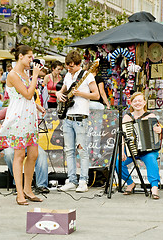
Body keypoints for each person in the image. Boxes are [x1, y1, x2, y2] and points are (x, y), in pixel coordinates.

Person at [0, 44, 43, 205]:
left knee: (33, 154)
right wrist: (35, 76)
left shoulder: (25, 73)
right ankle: (19, 193)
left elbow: (25, 96)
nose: (32, 60)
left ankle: (28, 189)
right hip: (18, 118)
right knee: (19, 155)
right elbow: (28, 94)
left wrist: (37, 106)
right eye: (29, 56)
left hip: (29, 116)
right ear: (20, 56)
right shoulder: (13, 74)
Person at [56, 50, 99, 192]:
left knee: (82, 150)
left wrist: (80, 93)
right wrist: (58, 94)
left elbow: (96, 95)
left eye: (72, 66)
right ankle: (72, 179)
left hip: (80, 117)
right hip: (67, 117)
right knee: (69, 150)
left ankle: (83, 180)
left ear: (79, 64)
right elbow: (62, 90)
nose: (69, 68)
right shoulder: (68, 75)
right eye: (68, 66)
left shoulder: (87, 76)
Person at [0, 107, 50, 194]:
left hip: (28, 143)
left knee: (42, 154)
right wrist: (3, 128)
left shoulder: (32, 111)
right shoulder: (11, 107)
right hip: (13, 143)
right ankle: (18, 183)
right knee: (9, 154)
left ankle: (41, 185)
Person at [116, 92, 162, 199]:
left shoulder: (151, 116)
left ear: (144, 102)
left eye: (140, 101)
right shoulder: (127, 117)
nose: (137, 103)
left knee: (151, 159)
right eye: (135, 101)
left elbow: (157, 135)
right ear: (131, 103)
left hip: (148, 150)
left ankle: (154, 187)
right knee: (118, 162)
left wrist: (159, 131)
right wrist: (122, 151)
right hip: (131, 150)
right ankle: (130, 183)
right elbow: (123, 137)